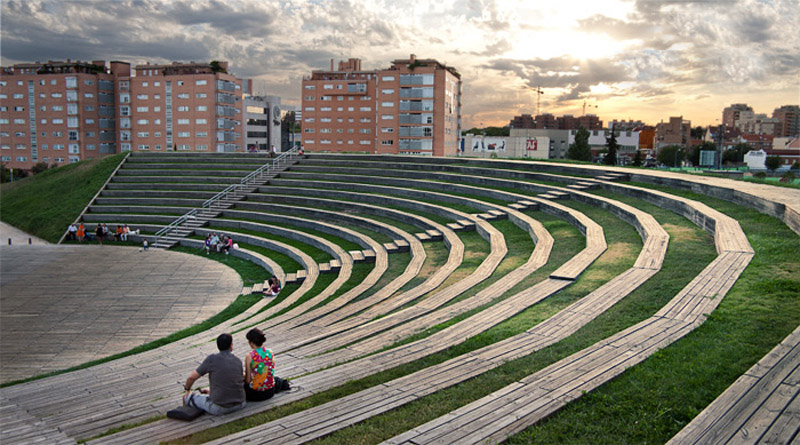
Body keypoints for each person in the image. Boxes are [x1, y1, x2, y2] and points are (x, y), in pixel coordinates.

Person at [182, 333, 246, 415]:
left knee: (187, 397)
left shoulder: (212, 359)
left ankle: (184, 413)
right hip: (240, 404)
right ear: (231, 346)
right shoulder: (237, 360)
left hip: (219, 408)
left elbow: (191, 378)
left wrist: (187, 389)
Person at [242, 328, 276, 401]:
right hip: (270, 391)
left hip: (256, 394)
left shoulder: (249, 356)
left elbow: (248, 380)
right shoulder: (270, 352)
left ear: (251, 342)